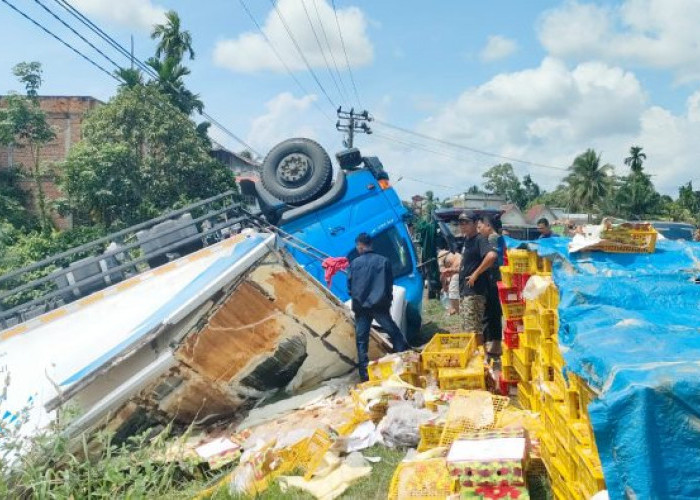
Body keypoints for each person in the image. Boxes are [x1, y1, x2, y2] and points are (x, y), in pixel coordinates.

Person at [348, 232, 410, 381]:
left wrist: (357, 300)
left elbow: (350, 287)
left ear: (360, 246)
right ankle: (401, 363)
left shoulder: (354, 264)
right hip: (379, 305)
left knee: (362, 341)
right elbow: (389, 286)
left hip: (361, 308)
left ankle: (365, 375)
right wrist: (386, 301)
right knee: (395, 333)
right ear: (371, 245)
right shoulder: (384, 261)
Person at [457, 213, 498, 344]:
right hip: (465, 291)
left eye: (466, 222)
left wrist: (476, 274)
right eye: (461, 223)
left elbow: (491, 256)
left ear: (475, 224)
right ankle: (476, 355)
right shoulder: (467, 241)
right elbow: (469, 264)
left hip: (475, 292)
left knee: (474, 330)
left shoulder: (479, 239)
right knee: (468, 328)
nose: (463, 225)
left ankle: (480, 359)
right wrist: (452, 270)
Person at [479, 216, 504, 363]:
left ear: (488, 225)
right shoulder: (497, 238)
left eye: (481, 226)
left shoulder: (492, 239)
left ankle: (495, 345)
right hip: (496, 279)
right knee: (493, 312)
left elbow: (492, 259)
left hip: (494, 279)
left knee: (492, 312)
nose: (480, 230)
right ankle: (495, 345)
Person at [438, 248, 461, 315]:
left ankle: (459, 311)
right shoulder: (443, 255)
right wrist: (444, 286)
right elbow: (443, 273)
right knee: (452, 294)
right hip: (455, 272)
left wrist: (444, 287)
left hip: (457, 273)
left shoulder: (457, 258)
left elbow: (442, 272)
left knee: (453, 295)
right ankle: (455, 309)